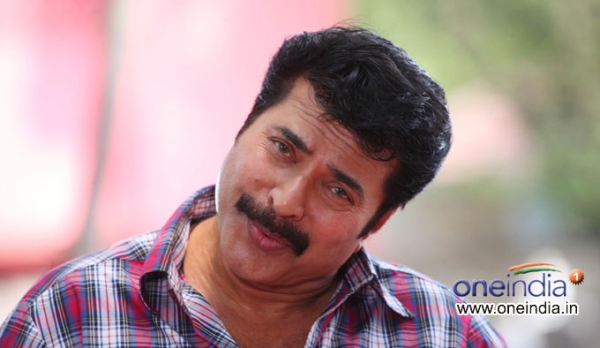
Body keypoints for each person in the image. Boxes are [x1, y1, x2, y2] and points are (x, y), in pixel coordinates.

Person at [0, 26, 506, 347]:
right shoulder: (69, 316)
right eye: (283, 149)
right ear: (244, 127)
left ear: (377, 221)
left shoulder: (445, 333)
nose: (286, 203)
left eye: (338, 192)